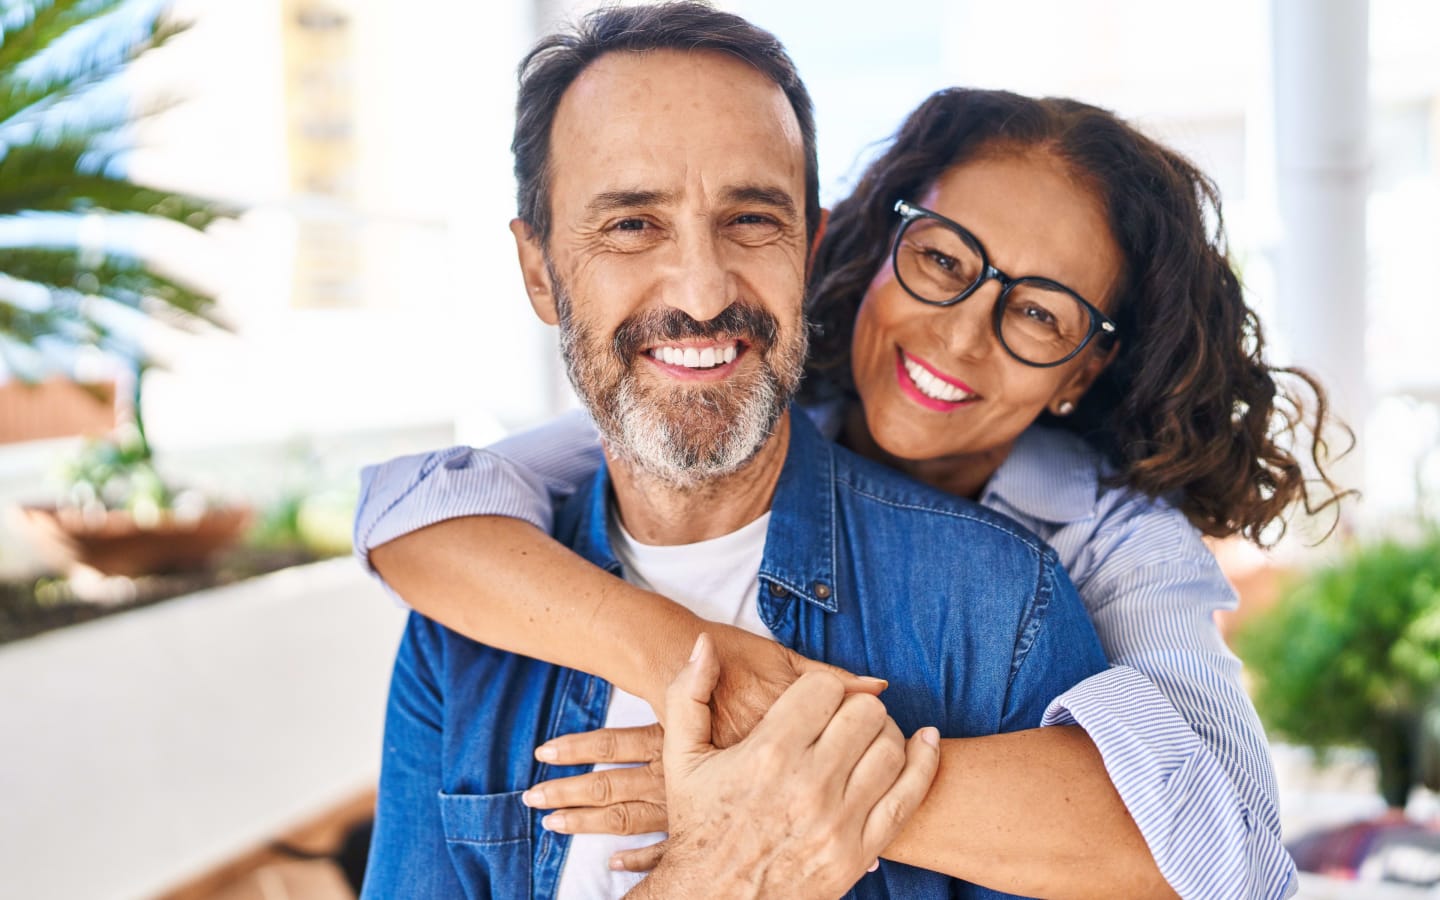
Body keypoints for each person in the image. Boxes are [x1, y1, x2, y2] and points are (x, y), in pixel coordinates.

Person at [357, 11, 1350, 900]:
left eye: (1040, 313)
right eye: (944, 262)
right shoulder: (678, 416)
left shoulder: (1065, 573)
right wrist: (686, 665)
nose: (962, 335)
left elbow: (1232, 863)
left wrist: (795, 780)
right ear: (873, 250)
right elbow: (416, 515)